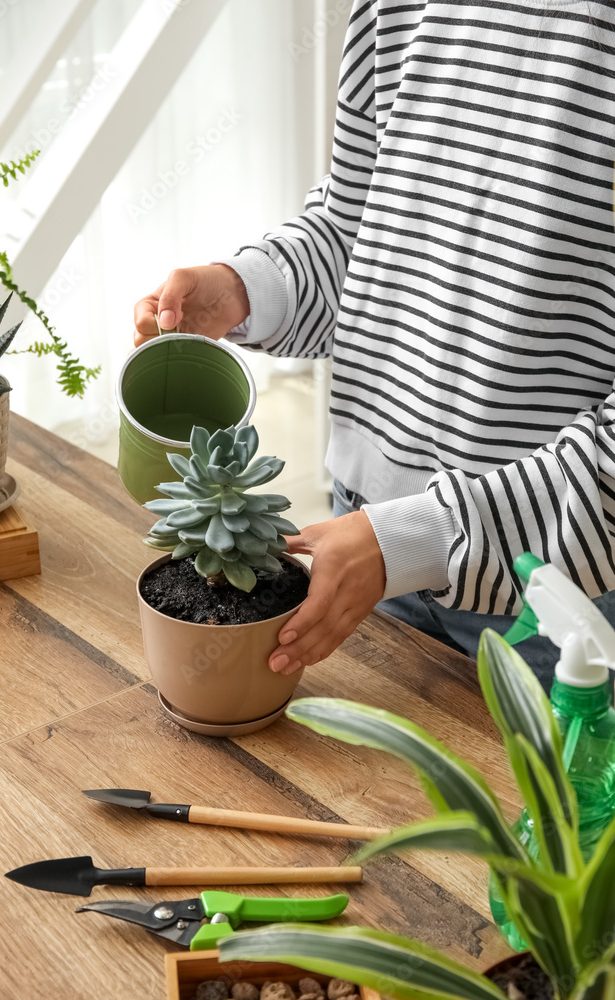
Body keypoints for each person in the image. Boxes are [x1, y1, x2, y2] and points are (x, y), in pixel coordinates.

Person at [134, 0, 615, 693]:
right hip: (360, 533)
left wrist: (417, 539)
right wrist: (247, 289)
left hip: (555, 594)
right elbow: (356, 221)